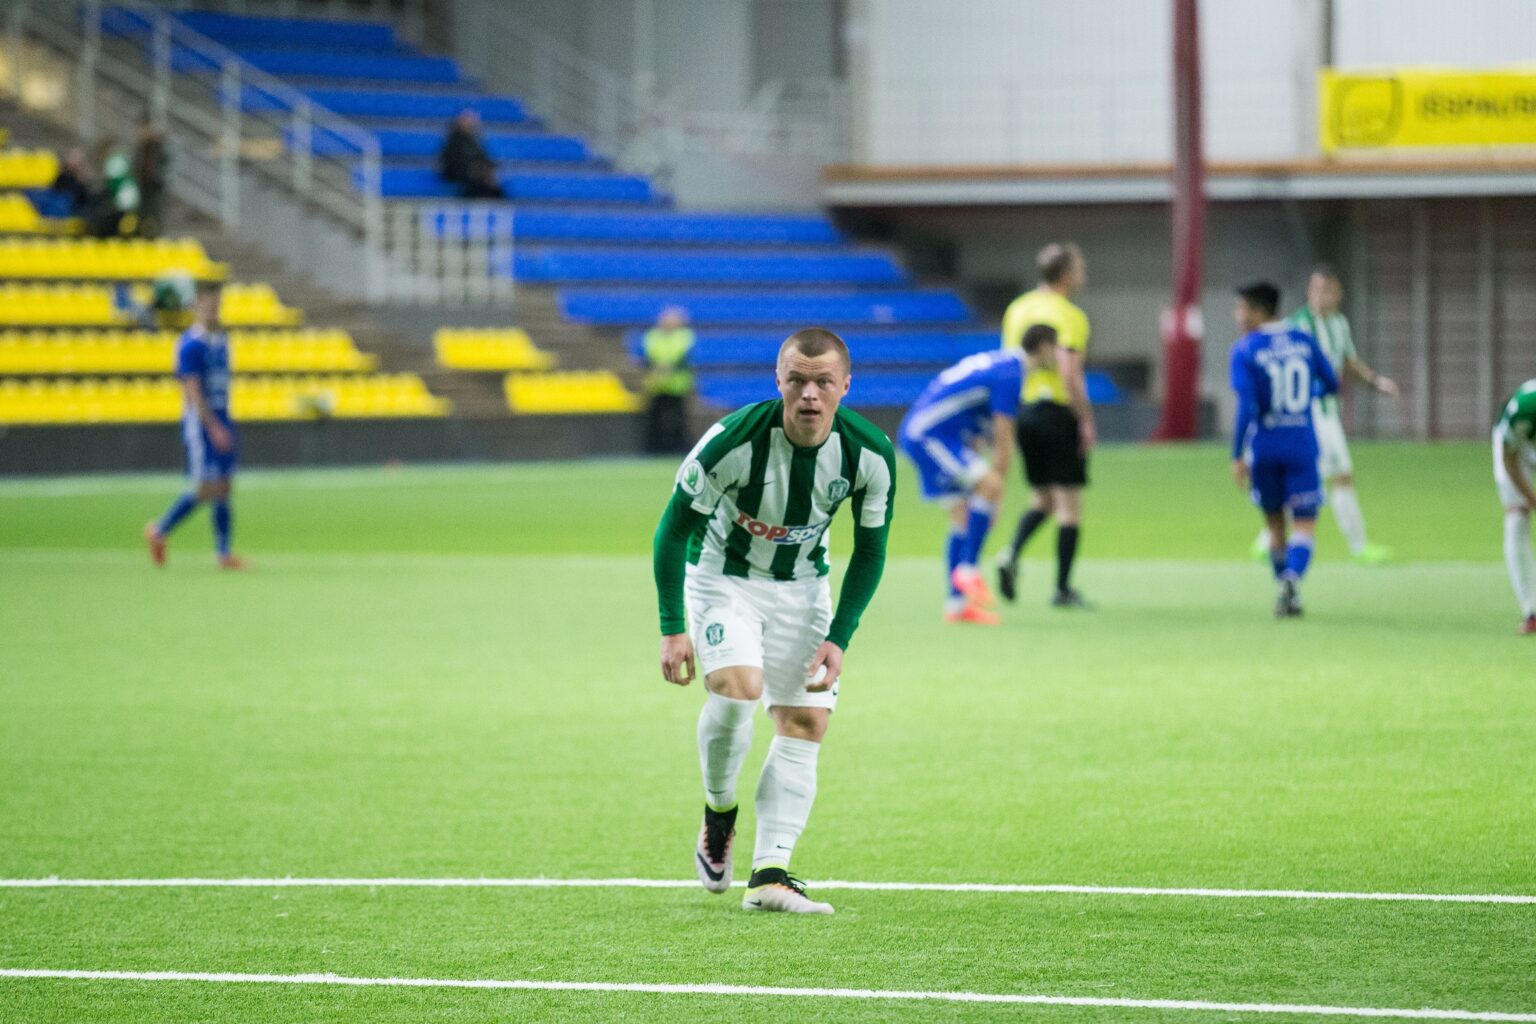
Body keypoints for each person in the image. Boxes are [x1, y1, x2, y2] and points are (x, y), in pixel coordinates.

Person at [653, 328, 895, 915]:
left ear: (845, 386)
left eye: (823, 382)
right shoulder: (730, 442)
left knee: (807, 721)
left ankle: (770, 875)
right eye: (798, 380)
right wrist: (672, 625)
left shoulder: (870, 454)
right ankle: (718, 814)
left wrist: (840, 636)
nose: (809, 394)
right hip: (722, 580)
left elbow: (870, 550)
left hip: (803, 588)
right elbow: (673, 530)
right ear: (779, 380)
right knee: (739, 692)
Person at [899, 325, 1059, 624]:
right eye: (1056, 347)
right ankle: (969, 570)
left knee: (961, 515)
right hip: (929, 435)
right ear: (1044, 347)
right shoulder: (1013, 375)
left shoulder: (1003, 365)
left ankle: (956, 606)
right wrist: (994, 495)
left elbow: (973, 422)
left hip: (941, 433)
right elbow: (1003, 440)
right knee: (989, 484)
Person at [1254, 265, 1398, 564]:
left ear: (1338, 294)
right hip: (1308, 416)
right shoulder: (1297, 326)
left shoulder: (1339, 325)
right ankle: (1355, 547)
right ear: (1308, 292)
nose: (1321, 296)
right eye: (1316, 289)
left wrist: (1375, 381)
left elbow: (1347, 361)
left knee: (1323, 477)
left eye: (1327, 290)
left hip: (1328, 413)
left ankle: (1271, 538)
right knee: (1333, 476)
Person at [1229, 281, 1338, 618]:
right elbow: (1332, 383)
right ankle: (1292, 581)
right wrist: (1306, 399)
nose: (1238, 316)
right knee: (1305, 524)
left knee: (1275, 526)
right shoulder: (1303, 340)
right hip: (1301, 444)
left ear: (1260, 312)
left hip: (1265, 447)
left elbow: (1247, 405)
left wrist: (1236, 454)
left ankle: (1283, 589)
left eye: (1242, 309)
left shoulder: (1245, 350)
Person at [995, 242, 1094, 608]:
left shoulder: (1017, 309)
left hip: (1024, 412)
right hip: (1057, 411)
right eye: (1080, 267)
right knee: (1069, 505)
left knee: (1043, 499)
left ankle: (1010, 553)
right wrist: (1084, 418)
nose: (1083, 274)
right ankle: (1063, 589)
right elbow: (1069, 373)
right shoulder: (1070, 315)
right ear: (1066, 274)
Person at [144, 281, 246, 571]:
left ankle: (224, 553)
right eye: (207, 304)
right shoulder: (189, 344)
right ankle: (160, 530)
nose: (213, 310)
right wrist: (213, 427)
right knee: (206, 487)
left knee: (224, 485)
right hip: (202, 423)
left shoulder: (222, 340)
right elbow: (192, 390)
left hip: (223, 416)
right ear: (195, 307)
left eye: (216, 304)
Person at [1493, 379, 1536, 634]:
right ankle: (1531, 610)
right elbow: (1509, 458)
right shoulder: (1524, 408)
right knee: (1518, 515)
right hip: (1516, 446)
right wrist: (1531, 499)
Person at [642, 306, 696, 454]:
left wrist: (664, 369)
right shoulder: (653, 336)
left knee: (678, 418)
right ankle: (654, 449)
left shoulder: (684, 336)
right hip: (657, 385)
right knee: (655, 418)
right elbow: (650, 356)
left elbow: (678, 356)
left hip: (677, 385)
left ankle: (679, 448)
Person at [437, 109, 504, 200]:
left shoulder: (474, 141)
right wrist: (474, 168)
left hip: (475, 172)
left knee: (493, 184)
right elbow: (451, 161)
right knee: (478, 182)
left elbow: (482, 156)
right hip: (460, 174)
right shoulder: (453, 141)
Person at [86, 138, 138, 238]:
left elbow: (112, 184)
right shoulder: (121, 159)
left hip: (123, 201)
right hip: (129, 200)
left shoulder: (113, 161)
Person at [132, 116, 169, 239]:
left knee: (154, 219)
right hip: (142, 188)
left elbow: (166, 167)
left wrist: (159, 179)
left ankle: (154, 238)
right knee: (141, 218)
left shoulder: (159, 147)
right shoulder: (140, 147)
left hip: (155, 188)